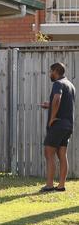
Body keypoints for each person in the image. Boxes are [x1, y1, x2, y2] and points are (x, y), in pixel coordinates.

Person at [40, 62, 75, 192]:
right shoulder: (70, 85)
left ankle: (49, 185)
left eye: (51, 72)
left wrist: (52, 117)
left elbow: (57, 99)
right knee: (62, 154)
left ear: (56, 71)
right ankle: (61, 185)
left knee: (49, 153)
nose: (50, 74)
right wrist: (49, 106)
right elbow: (64, 104)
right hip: (67, 125)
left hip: (58, 124)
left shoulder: (58, 83)